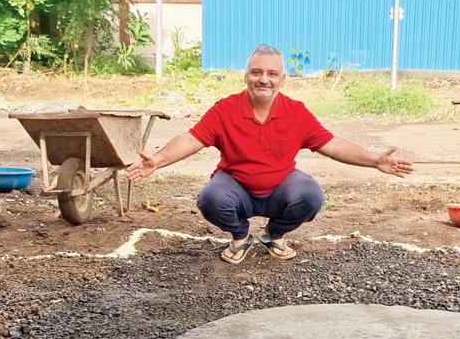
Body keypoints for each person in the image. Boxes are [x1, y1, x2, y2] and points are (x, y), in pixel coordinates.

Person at [126, 44, 413, 264]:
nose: (264, 79)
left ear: (282, 79)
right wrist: (158, 161)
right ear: (246, 76)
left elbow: (332, 144)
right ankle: (240, 236)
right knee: (210, 198)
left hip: (280, 187)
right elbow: (191, 138)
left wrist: (375, 160)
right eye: (257, 72)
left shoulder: (296, 113)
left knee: (311, 194)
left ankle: (274, 235)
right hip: (235, 186)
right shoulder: (225, 109)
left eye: (271, 74)